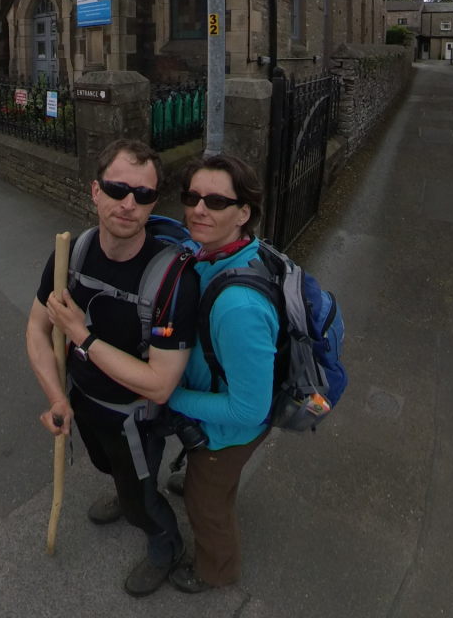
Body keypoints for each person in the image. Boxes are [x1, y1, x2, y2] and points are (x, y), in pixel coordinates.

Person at [26, 138, 198, 597]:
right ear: (94, 191)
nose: (128, 203)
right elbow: (37, 330)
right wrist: (57, 397)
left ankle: (166, 544)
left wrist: (82, 335)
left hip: (134, 420)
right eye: (117, 189)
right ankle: (125, 494)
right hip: (84, 403)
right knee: (106, 467)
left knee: (141, 498)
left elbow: (161, 386)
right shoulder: (73, 254)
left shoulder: (173, 280)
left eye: (142, 195)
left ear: (152, 203)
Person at [166, 154, 279, 594]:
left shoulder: (239, 308)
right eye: (192, 197)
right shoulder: (222, 251)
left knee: (206, 505)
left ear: (243, 212)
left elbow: (250, 409)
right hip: (220, 400)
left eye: (216, 201)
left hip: (228, 431)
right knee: (208, 479)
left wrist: (169, 395)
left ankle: (216, 568)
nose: (199, 209)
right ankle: (208, 480)